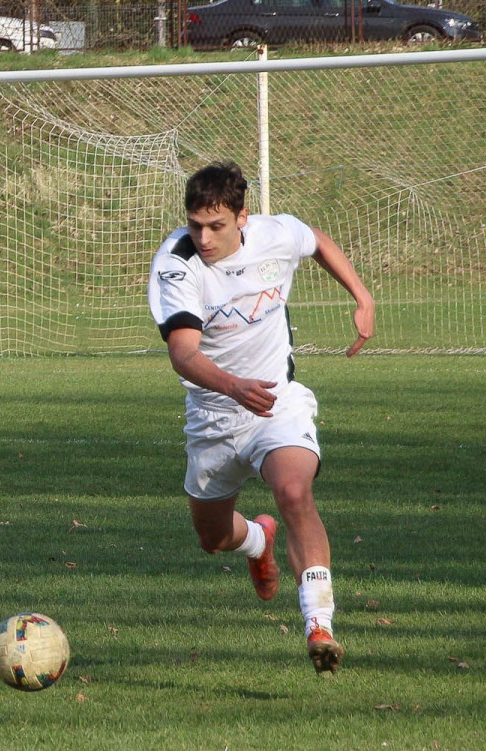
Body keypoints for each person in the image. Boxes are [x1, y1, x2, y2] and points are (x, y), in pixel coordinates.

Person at [148, 162, 375, 674]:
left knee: (293, 491)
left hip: (276, 402)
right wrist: (233, 386)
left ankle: (319, 624)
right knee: (212, 538)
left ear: (242, 217)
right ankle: (257, 539)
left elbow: (316, 240)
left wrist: (362, 296)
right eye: (195, 225)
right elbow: (183, 354)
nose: (204, 238)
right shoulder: (177, 263)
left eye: (217, 226)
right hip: (213, 415)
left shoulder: (274, 235)